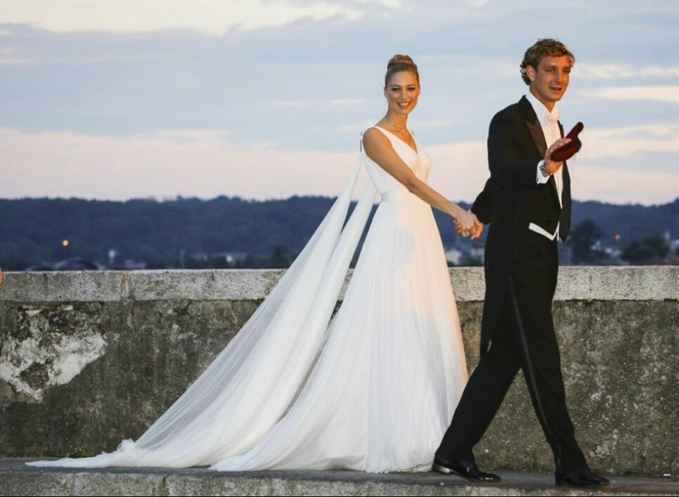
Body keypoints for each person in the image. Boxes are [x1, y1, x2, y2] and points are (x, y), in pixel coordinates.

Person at [28, 55, 485, 473]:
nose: (403, 97)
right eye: (395, 89)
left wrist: (449, 217)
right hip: (392, 235)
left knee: (420, 330)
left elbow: (415, 184)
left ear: (420, 90)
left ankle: (429, 436)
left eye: (410, 89)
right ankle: (390, 438)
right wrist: (457, 212)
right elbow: (405, 181)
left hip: (418, 237)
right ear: (383, 91)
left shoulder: (411, 135)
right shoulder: (374, 136)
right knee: (387, 331)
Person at [434, 39, 610, 488]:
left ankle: (452, 452)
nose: (559, 79)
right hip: (516, 254)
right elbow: (507, 169)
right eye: (550, 70)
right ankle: (569, 461)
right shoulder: (508, 120)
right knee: (543, 356)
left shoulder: (557, 123)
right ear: (528, 72)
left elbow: (499, 187)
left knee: (505, 358)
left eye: (566, 71)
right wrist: (542, 165)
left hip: (542, 251)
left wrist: (478, 213)